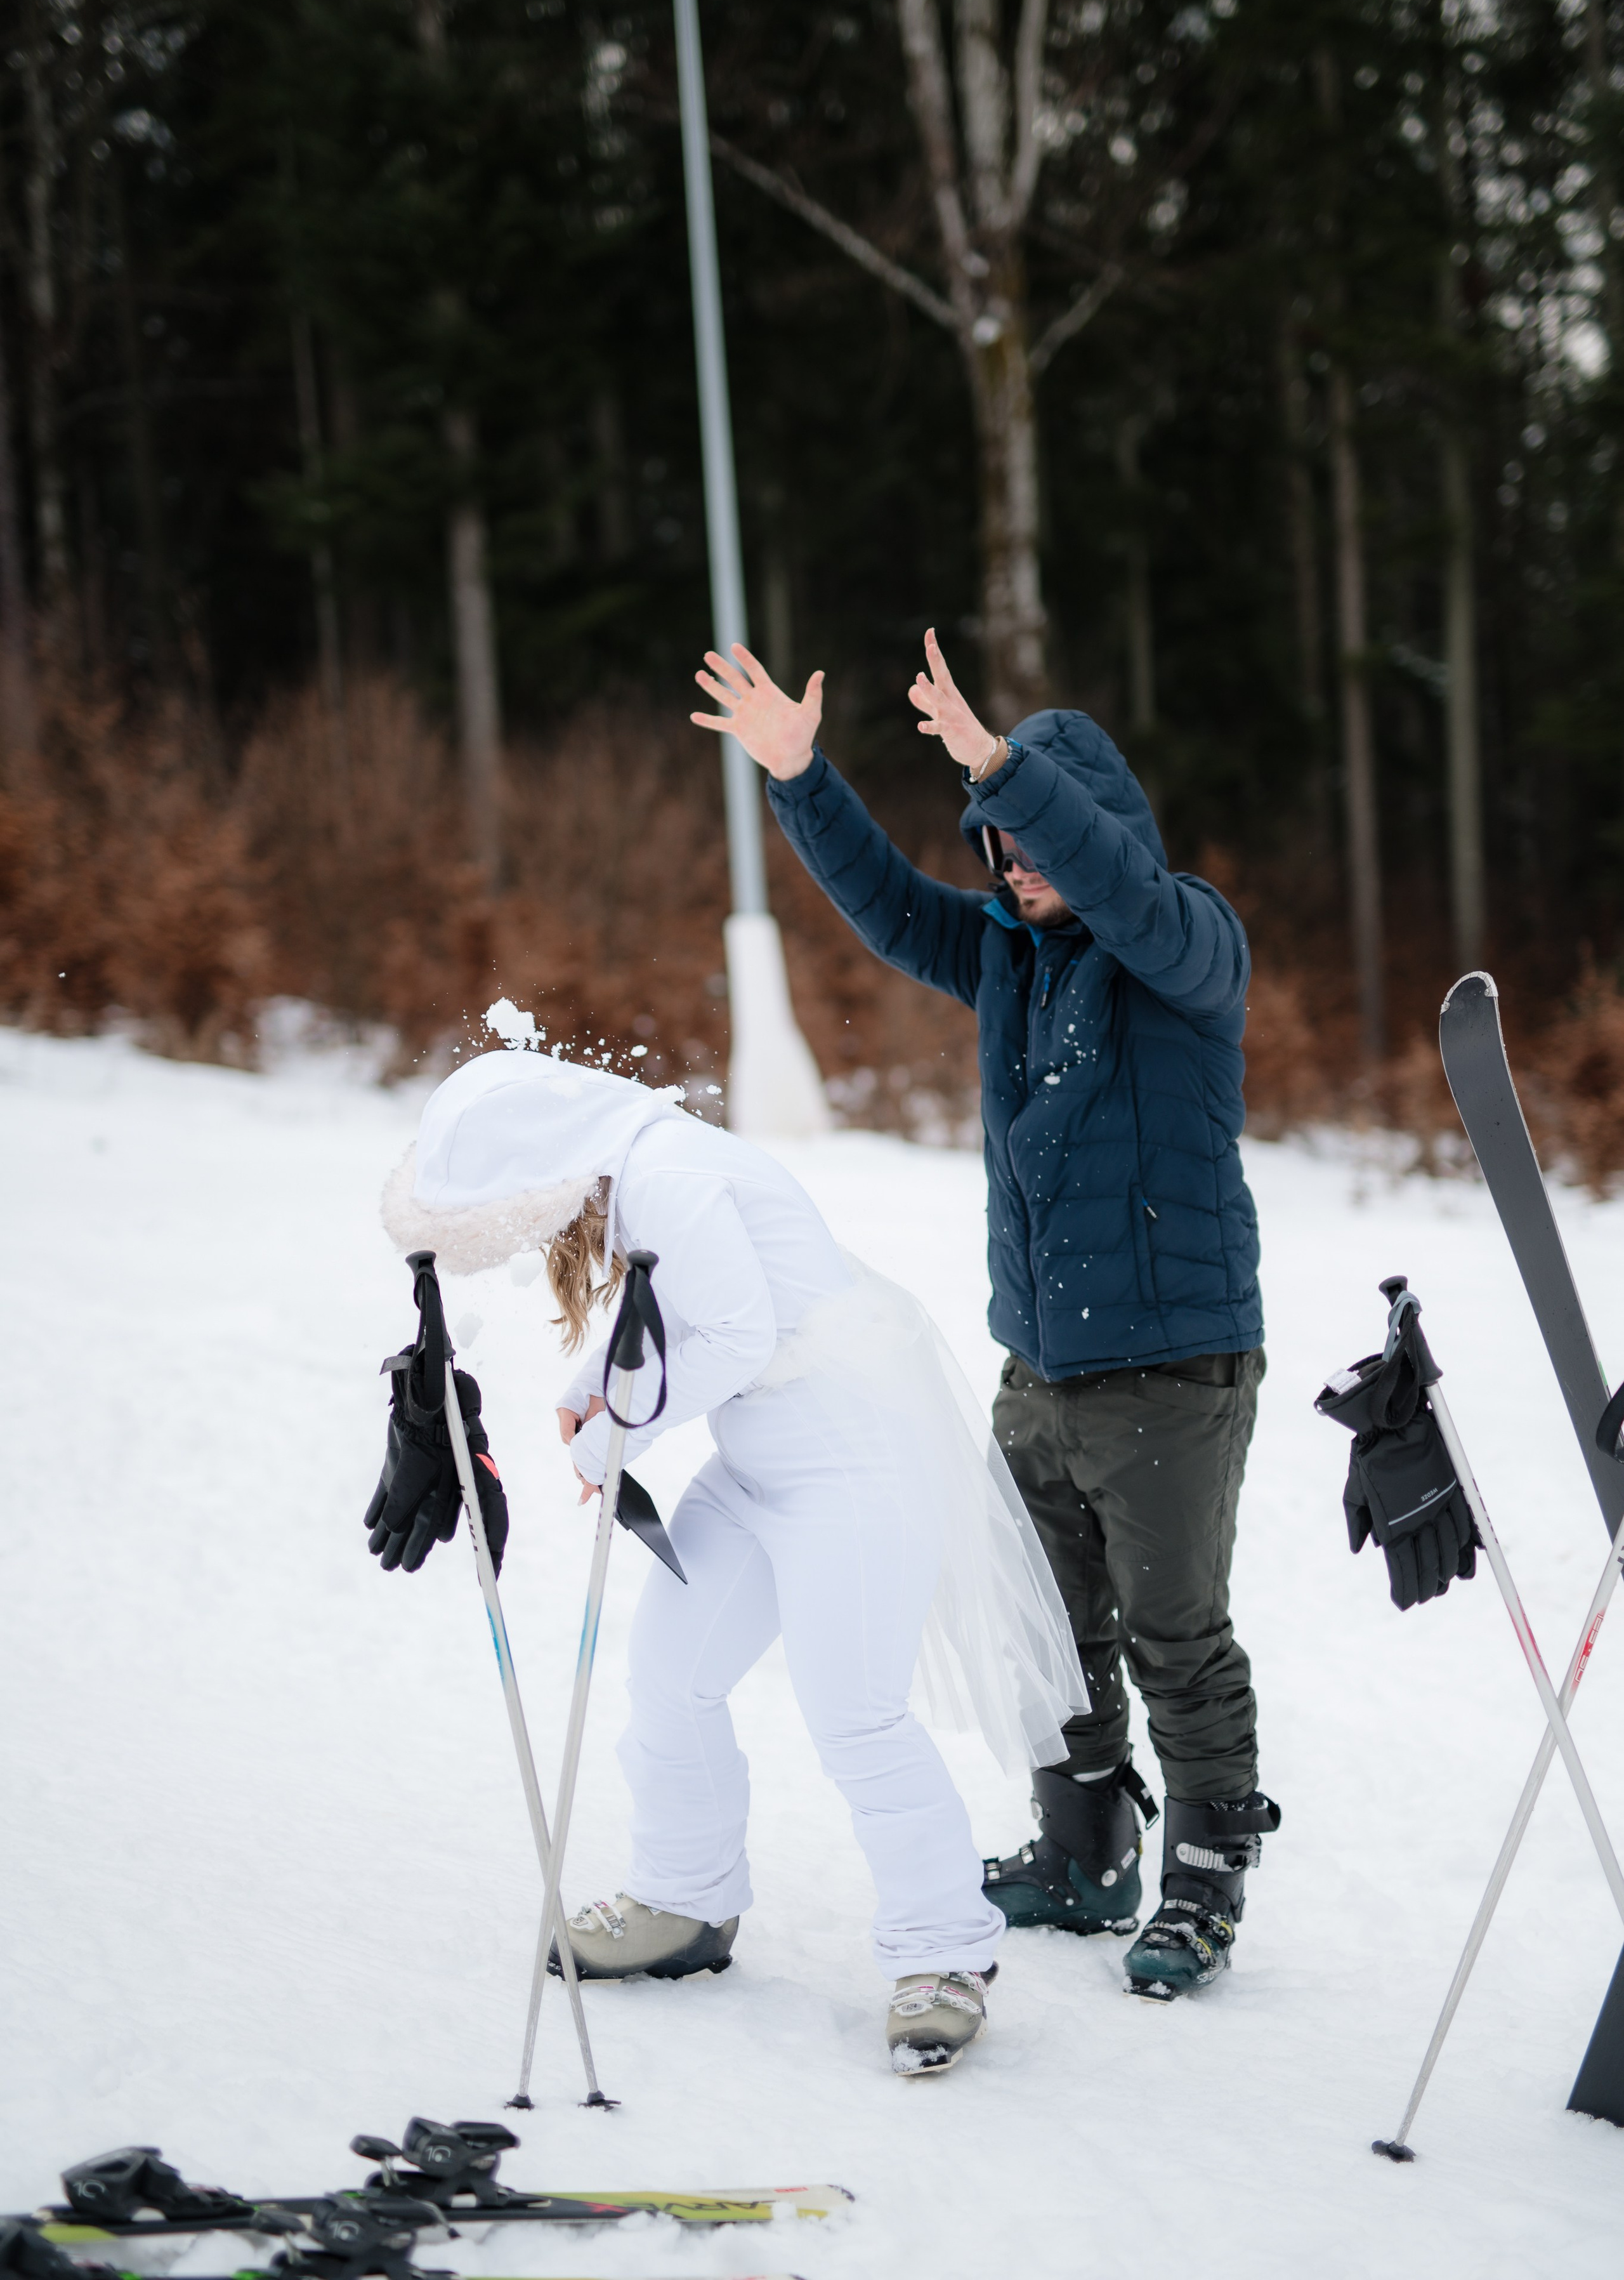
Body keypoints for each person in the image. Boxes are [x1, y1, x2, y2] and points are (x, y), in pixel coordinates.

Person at [692, 633, 1280, 2000]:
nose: (1014, 866)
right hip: (1044, 1366)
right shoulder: (1007, 954)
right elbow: (892, 907)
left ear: (1093, 830)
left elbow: (1125, 896)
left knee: (1173, 1632)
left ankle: (1202, 1876)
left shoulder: (1183, 947)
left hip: (1173, 1371)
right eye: (997, 846)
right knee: (1046, 1627)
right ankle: (1081, 1850)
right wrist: (801, 779)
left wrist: (1001, 766)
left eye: (1030, 839)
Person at [381, 1038, 1089, 2073]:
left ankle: (947, 1952)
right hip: (763, 1467)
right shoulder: (639, 1173)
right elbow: (673, 1312)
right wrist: (595, 1381)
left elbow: (736, 1338)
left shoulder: (666, 1176)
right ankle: (687, 1900)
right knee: (669, 1679)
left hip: (853, 1468)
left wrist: (616, 1430)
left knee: (856, 1716)